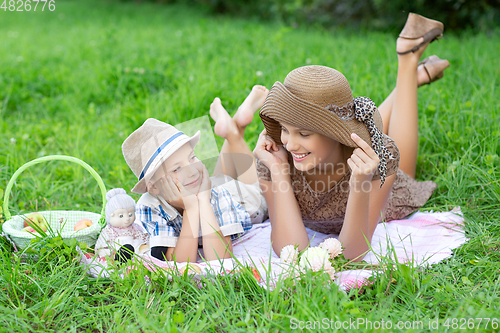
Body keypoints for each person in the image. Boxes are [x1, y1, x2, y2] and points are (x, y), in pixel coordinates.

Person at [253, 13, 449, 260]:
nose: (290, 144)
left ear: (337, 133)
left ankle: (408, 64)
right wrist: (279, 170)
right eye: (284, 129)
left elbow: (351, 255)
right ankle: (411, 76)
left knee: (405, 172)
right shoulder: (274, 157)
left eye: (303, 133)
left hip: (381, 191)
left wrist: (360, 184)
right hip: (345, 142)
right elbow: (291, 251)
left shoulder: (378, 158)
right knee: (365, 130)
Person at [121, 86, 269, 262]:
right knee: (218, 179)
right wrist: (191, 207)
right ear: (153, 187)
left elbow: (221, 259)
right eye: (176, 168)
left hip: (241, 198)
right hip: (212, 184)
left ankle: (234, 132)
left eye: (192, 158)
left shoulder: (216, 195)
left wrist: (203, 202)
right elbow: (180, 263)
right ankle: (233, 127)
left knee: (260, 192)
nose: (191, 170)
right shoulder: (150, 206)